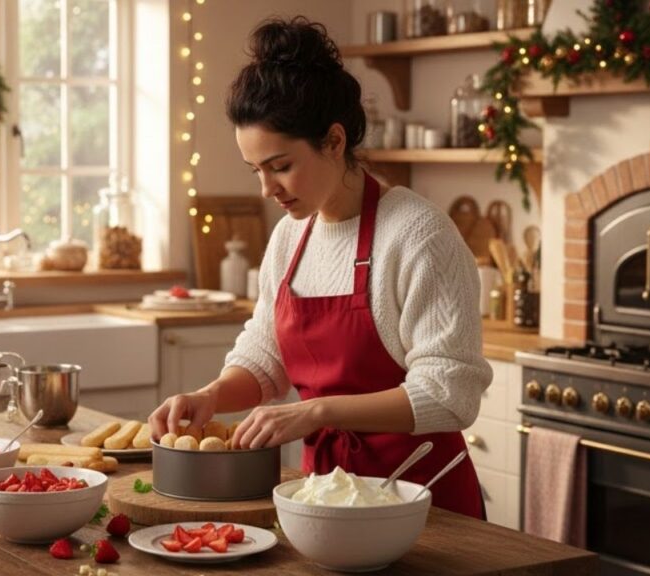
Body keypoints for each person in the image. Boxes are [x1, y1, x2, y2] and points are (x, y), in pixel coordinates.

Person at [148, 16, 490, 519]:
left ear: (333, 141)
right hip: (325, 500)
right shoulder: (291, 235)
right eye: (256, 171)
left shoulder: (419, 235)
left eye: (281, 166)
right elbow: (266, 358)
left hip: (422, 505)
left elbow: (450, 394)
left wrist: (317, 412)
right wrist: (210, 396)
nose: (267, 189)